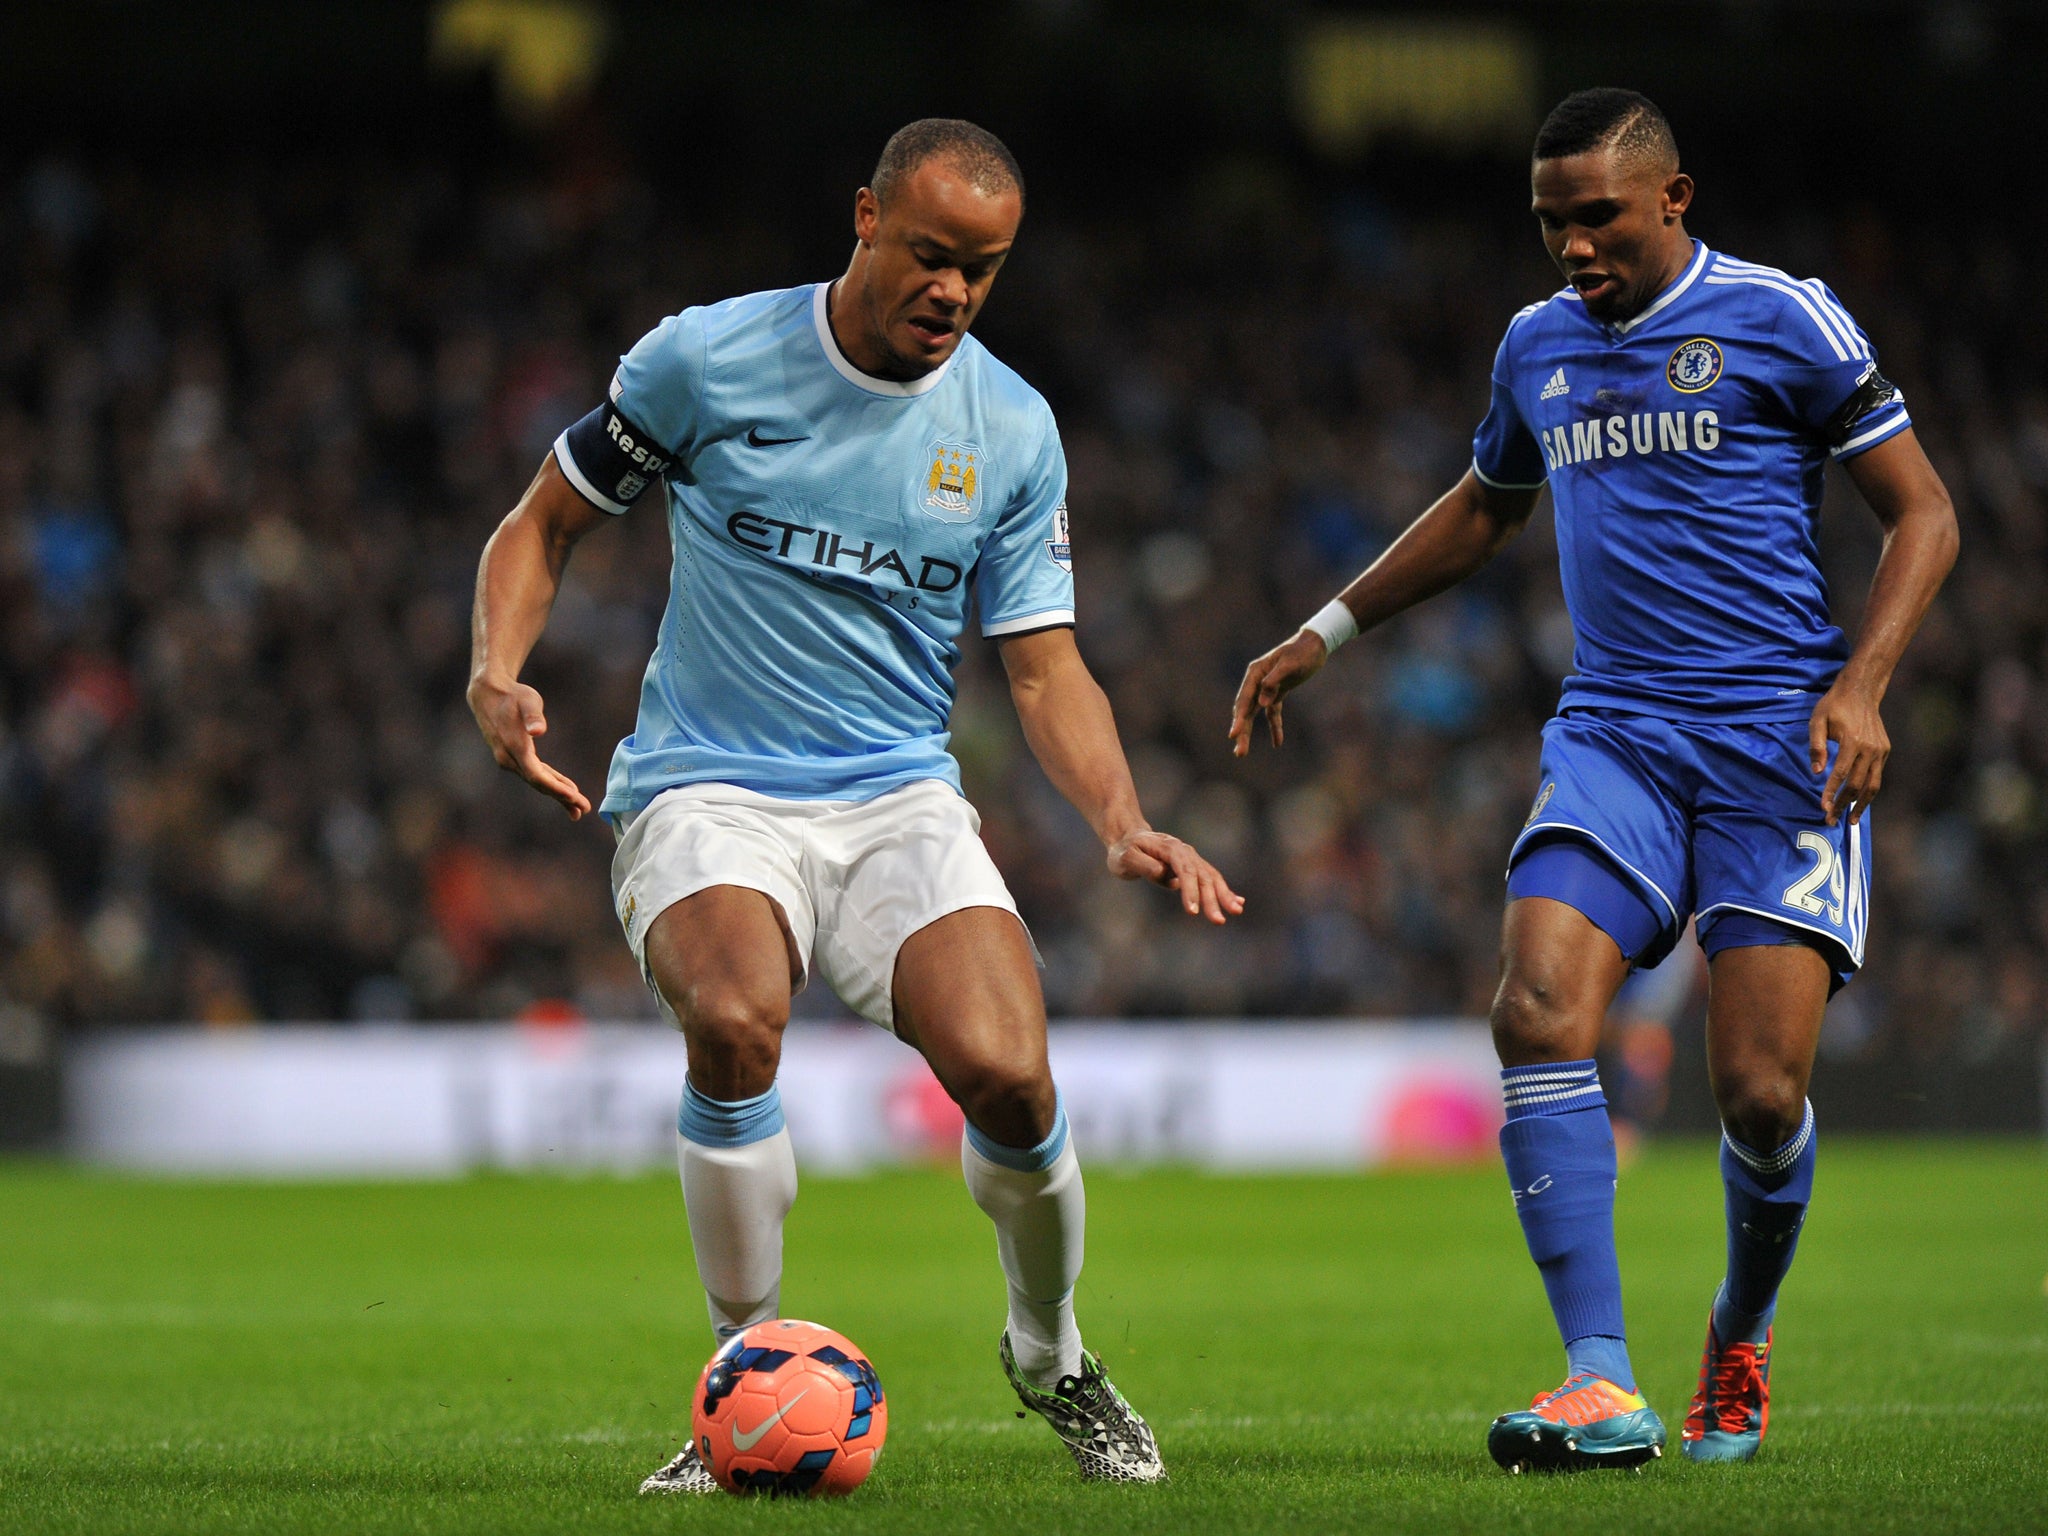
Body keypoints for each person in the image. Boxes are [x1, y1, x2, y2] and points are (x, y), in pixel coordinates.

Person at [468, 118, 1241, 1491]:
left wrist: (1119, 818)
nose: (953, 291)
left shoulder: (1008, 429)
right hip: (709, 784)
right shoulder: (705, 361)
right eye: (933, 256)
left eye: (984, 271)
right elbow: (545, 522)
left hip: (897, 798)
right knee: (732, 1015)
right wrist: (496, 672)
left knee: (1011, 1074)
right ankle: (742, 1378)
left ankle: (1051, 1351)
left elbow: (1045, 662)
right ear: (867, 218)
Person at [1230, 89, 1955, 1471]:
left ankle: (1738, 1331)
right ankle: (1598, 1381)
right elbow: (1485, 508)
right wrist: (1323, 632)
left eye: (1599, 217)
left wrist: (1861, 685)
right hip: (1614, 732)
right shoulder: (1535, 346)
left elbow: (1925, 510)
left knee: (1756, 1095)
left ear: (1674, 199)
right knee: (1534, 1002)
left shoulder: (1782, 319)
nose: (1571, 247)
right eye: (1550, 222)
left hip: (1773, 744)